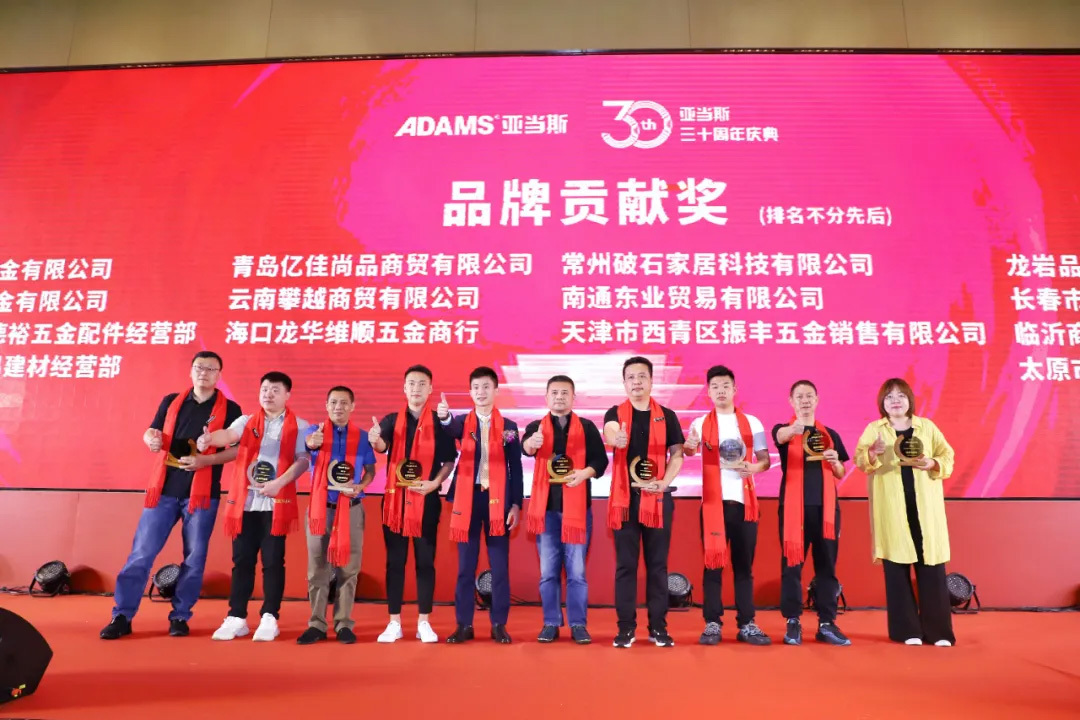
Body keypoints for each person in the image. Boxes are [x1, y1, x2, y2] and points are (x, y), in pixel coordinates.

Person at [100, 351, 242, 639]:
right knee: (141, 554)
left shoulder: (231, 409)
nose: (204, 373)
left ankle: (180, 616)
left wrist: (206, 461)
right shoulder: (172, 401)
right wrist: (150, 440)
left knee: (194, 559)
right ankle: (122, 615)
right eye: (199, 367)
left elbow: (238, 449)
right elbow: (151, 431)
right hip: (163, 491)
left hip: (202, 495)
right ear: (191, 371)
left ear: (219, 375)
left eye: (210, 369)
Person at [199, 371, 311, 642]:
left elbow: (303, 460)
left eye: (275, 390)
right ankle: (236, 616)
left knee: (273, 562)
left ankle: (270, 616)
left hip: (276, 502)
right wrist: (210, 440)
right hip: (246, 503)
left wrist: (279, 483)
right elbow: (228, 435)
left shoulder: (300, 425)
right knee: (242, 561)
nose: (268, 394)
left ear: (287, 395)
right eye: (264, 389)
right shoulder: (247, 421)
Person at [855, 377, 956, 647]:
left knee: (931, 568)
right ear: (882, 403)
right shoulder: (874, 429)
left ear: (910, 400)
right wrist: (872, 453)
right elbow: (860, 460)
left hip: (926, 508)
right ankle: (906, 630)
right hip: (893, 509)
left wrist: (932, 462)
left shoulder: (927, 427)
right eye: (889, 397)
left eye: (900, 395)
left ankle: (938, 632)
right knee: (896, 570)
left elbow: (947, 455)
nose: (895, 401)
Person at [684, 365, 772, 646]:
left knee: (744, 566)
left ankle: (747, 623)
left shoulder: (753, 423)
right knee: (713, 565)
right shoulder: (700, 423)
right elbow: (689, 450)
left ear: (735, 389)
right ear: (708, 392)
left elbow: (764, 460)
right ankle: (712, 622)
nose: (721, 390)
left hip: (745, 504)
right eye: (715, 386)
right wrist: (689, 445)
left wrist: (753, 468)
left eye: (725, 385)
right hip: (713, 504)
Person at [370, 365, 457, 644]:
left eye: (421, 384)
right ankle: (394, 622)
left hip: (426, 499)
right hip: (395, 503)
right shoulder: (391, 420)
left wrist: (435, 483)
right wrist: (375, 440)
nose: (416, 388)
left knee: (425, 562)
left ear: (430, 389)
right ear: (404, 388)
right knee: (395, 562)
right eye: (411, 383)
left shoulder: (439, 424)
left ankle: (424, 622)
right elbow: (382, 447)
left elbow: (449, 461)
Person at [603, 356, 684, 648]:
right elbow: (610, 431)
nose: (636, 382)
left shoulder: (667, 415)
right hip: (625, 500)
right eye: (631, 377)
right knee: (626, 566)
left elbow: (677, 453)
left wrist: (664, 482)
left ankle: (658, 627)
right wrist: (617, 438)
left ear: (651, 380)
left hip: (658, 499)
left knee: (657, 566)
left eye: (642, 377)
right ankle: (626, 628)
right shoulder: (616, 413)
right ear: (624, 382)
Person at [522, 375, 608, 644]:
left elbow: (601, 461)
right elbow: (526, 448)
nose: (559, 397)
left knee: (577, 573)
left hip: (578, 511)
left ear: (573, 397)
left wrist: (584, 473)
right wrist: (531, 444)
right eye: (555, 393)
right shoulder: (536, 427)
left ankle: (578, 624)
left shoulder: (587, 427)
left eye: (564, 393)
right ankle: (550, 622)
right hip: (545, 511)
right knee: (548, 573)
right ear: (547, 397)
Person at [442, 367, 523, 644]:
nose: (481, 392)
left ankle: (499, 624)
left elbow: (515, 468)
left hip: (498, 503)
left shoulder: (509, 427)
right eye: (476, 387)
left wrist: (516, 504)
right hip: (469, 500)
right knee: (466, 567)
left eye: (486, 386)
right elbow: (450, 428)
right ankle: (464, 624)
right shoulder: (462, 422)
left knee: (499, 567)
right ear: (470, 392)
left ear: (496, 390)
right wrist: (444, 417)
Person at [771, 380, 851, 646]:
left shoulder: (830, 435)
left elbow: (840, 472)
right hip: (793, 510)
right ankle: (793, 621)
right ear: (791, 402)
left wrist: (835, 463)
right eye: (799, 397)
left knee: (827, 567)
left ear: (817, 400)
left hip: (826, 510)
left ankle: (827, 623)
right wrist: (794, 429)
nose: (805, 401)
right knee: (791, 566)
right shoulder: (784, 430)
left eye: (809, 396)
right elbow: (780, 437)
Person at [297, 385, 376, 645]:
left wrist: (361, 486)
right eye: (333, 402)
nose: (338, 407)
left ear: (352, 407)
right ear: (326, 406)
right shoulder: (315, 432)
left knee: (348, 570)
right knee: (317, 569)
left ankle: (343, 623)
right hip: (320, 510)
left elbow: (370, 471)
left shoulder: (362, 437)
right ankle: (316, 624)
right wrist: (312, 443)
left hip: (351, 510)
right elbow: (308, 446)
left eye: (343, 403)